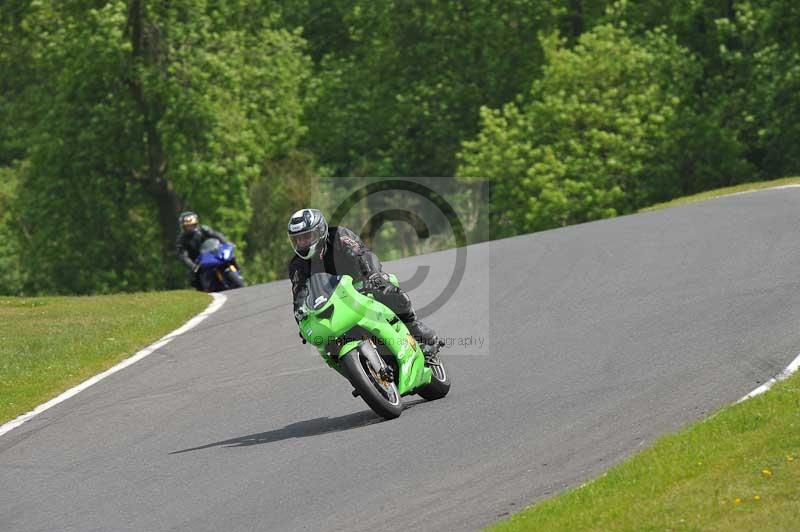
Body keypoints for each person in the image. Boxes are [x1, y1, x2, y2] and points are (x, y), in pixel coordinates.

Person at [287, 208, 438, 347]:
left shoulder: (339, 236)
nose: (301, 243)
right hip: (332, 300)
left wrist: (373, 275)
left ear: (320, 231)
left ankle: (413, 325)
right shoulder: (297, 265)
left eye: (306, 237)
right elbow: (298, 295)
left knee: (386, 288)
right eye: (297, 239)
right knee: (321, 335)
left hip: (360, 282)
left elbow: (362, 254)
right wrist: (302, 320)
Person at [176, 211, 231, 290]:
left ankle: (237, 271)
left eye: (192, 225)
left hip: (213, 254)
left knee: (229, 257)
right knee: (194, 278)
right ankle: (205, 291)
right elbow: (183, 256)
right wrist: (193, 266)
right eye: (188, 226)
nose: (190, 227)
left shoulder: (203, 229)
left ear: (196, 223)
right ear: (183, 227)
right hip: (198, 263)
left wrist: (226, 243)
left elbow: (216, 235)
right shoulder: (181, 240)